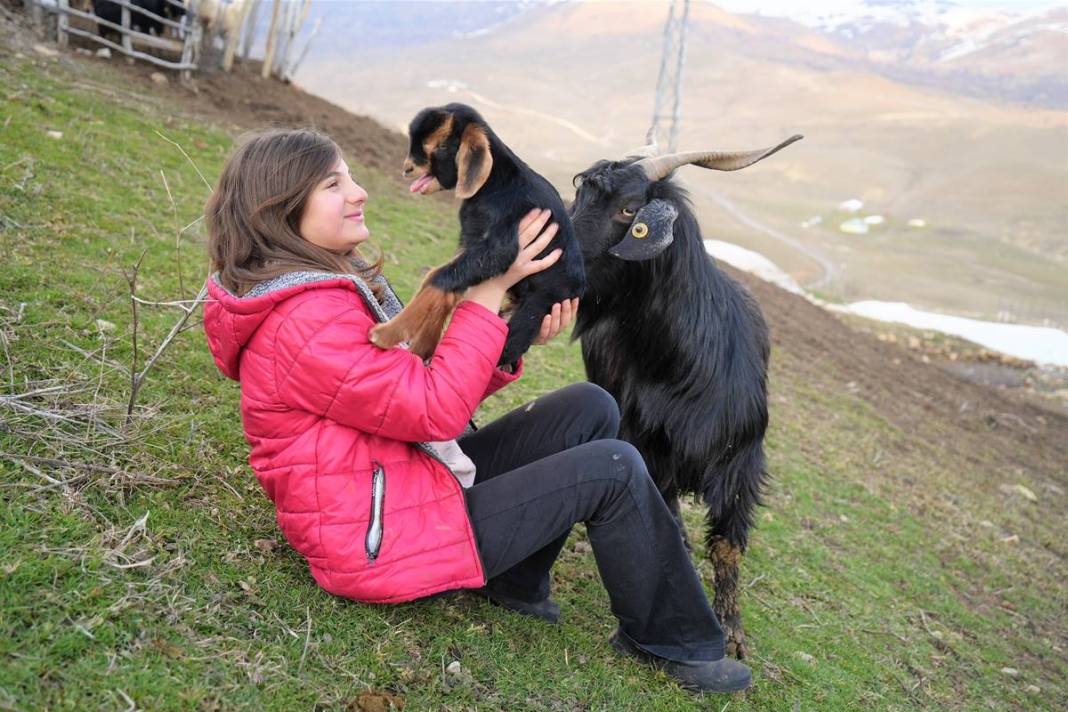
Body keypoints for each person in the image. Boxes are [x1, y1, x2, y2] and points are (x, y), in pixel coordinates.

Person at [202, 128, 752, 694]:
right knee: (613, 467)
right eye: (333, 184)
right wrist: (488, 293)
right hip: (380, 541)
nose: (359, 192)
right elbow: (432, 410)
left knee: (589, 406)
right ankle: (676, 641)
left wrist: (513, 338)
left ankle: (515, 580)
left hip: (405, 486)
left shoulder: (323, 290)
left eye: (351, 177)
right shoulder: (305, 319)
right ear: (280, 209)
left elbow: (403, 393)